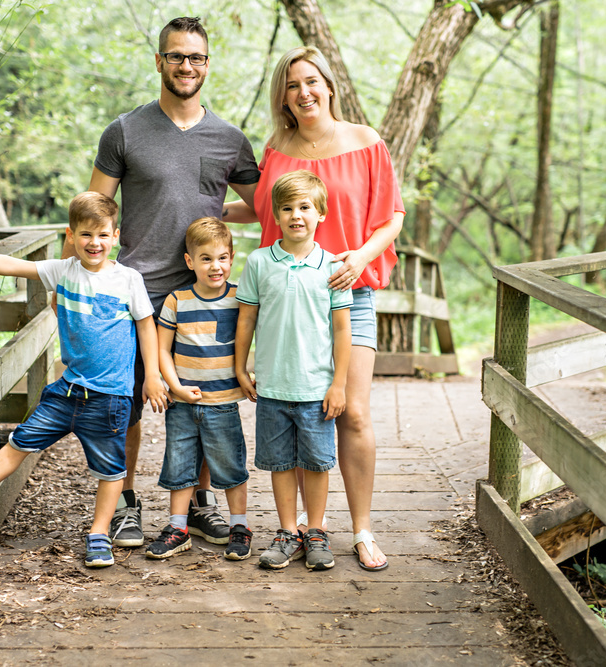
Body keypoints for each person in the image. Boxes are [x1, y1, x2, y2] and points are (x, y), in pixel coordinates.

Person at [73, 16, 261, 549]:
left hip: (203, 294)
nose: (186, 66)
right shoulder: (126, 131)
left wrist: (209, 213)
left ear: (207, 64)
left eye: (196, 57)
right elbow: (95, 211)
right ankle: (127, 502)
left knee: (201, 398)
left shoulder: (229, 138)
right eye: (176, 56)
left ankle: (198, 506)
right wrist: (77, 287)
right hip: (132, 291)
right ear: (159, 61)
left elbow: (261, 206)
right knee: (125, 402)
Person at [223, 46, 404, 571]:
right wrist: (195, 200)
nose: (304, 92)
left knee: (351, 411)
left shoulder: (366, 141)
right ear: (284, 96)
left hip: (352, 290)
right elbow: (263, 209)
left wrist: (360, 256)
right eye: (292, 85)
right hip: (289, 302)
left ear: (328, 85)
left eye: (312, 82)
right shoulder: (277, 147)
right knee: (300, 410)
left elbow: (392, 216)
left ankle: (363, 530)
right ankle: (302, 529)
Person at [0, 192, 163, 568]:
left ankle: (99, 533)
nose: (94, 243)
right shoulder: (63, 271)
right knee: (20, 441)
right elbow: (10, 264)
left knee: (111, 469)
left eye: (103, 235)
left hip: (110, 397)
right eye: (86, 235)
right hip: (67, 391)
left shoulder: (128, 279)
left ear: (115, 236)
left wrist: (152, 375)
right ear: (71, 235)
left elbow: (147, 327)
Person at [235, 170, 351, 571]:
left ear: (321, 213)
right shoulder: (259, 262)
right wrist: (240, 367)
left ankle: (315, 532)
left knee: (317, 463)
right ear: (276, 215)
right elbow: (246, 319)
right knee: (280, 463)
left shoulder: (334, 266)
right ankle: (288, 531)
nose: (296, 215)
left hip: (317, 387)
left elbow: (341, 330)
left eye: (304, 207)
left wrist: (339, 383)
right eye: (287, 208)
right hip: (272, 386)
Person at [146, 218, 252, 561]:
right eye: (205, 258)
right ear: (190, 261)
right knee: (179, 465)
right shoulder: (177, 300)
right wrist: (174, 386)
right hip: (181, 403)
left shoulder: (240, 299)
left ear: (232, 258)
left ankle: (240, 526)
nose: (215, 266)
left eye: (222, 257)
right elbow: (162, 349)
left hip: (222, 401)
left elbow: (254, 339)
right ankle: (178, 527)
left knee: (231, 465)